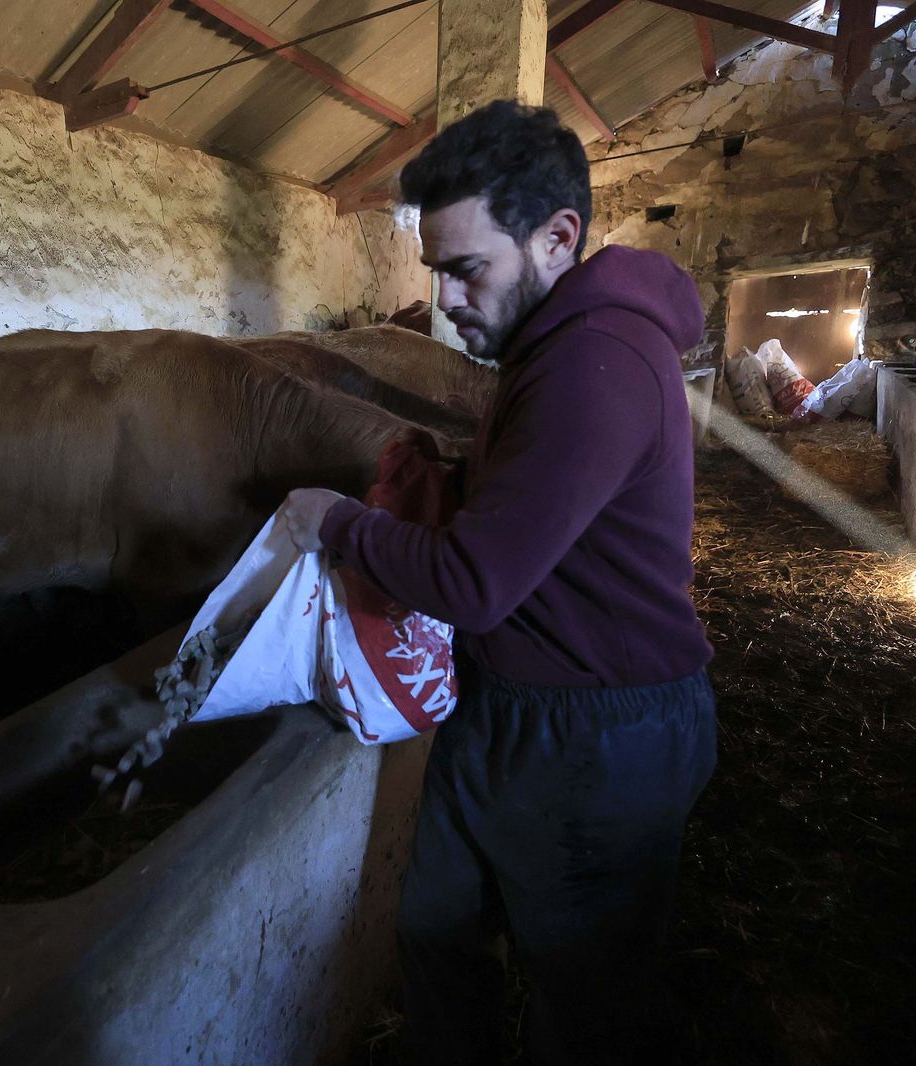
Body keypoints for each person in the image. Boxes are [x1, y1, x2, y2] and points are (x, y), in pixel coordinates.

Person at [280, 100, 718, 1065]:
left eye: (466, 269)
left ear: (558, 237)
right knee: (436, 930)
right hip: (515, 701)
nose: (446, 299)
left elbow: (474, 584)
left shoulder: (594, 362)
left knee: (584, 1000)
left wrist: (337, 521)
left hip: (604, 732)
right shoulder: (550, 348)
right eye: (438, 270)